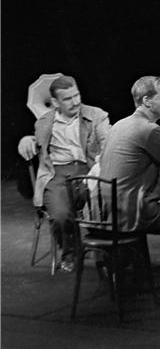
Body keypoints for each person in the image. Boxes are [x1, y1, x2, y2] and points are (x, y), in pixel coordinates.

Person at [17, 75, 110, 272]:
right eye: (68, 99)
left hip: (89, 169)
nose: (75, 102)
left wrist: (101, 163)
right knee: (59, 215)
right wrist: (27, 139)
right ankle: (70, 252)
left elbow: (107, 142)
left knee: (101, 208)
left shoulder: (96, 115)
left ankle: (104, 254)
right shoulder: (44, 122)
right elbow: (37, 141)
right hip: (57, 174)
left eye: (77, 95)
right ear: (55, 102)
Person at [101, 76, 160, 275]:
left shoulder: (119, 125)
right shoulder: (150, 130)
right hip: (133, 212)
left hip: (109, 211)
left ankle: (139, 273)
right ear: (147, 101)